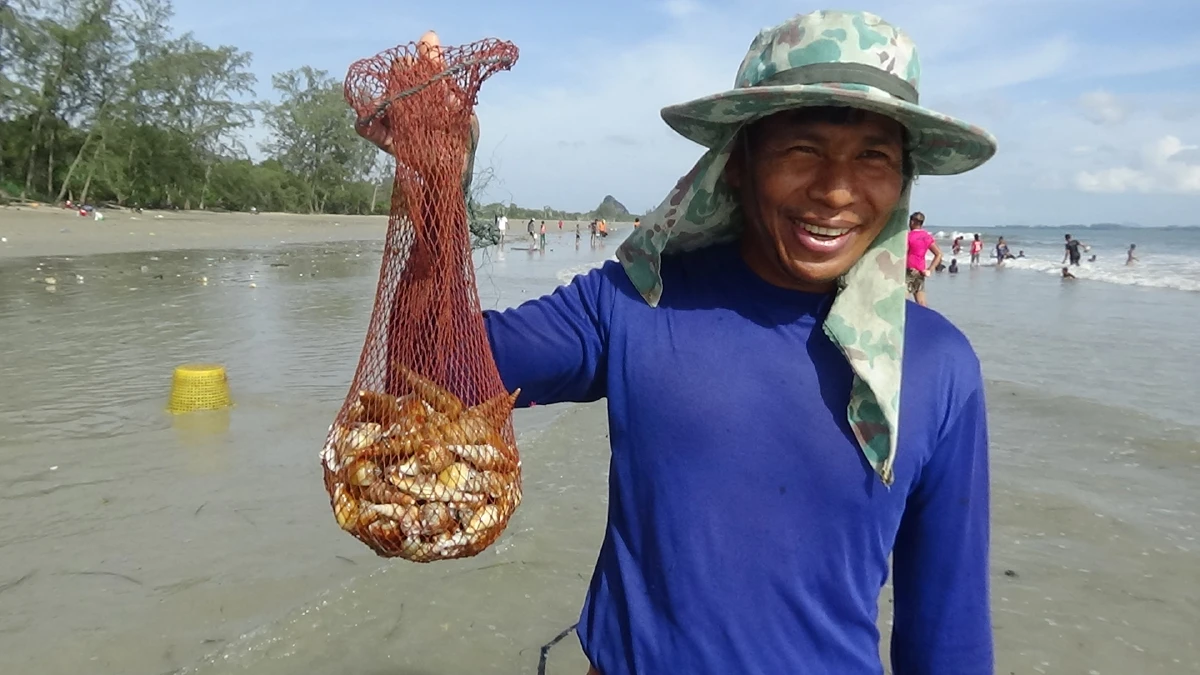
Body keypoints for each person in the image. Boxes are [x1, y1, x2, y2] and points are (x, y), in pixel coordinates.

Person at [360, 13, 996, 675]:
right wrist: (434, 186)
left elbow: (947, 634)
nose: (837, 190)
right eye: (802, 150)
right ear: (738, 165)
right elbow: (428, 371)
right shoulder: (639, 300)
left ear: (902, 179)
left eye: (874, 156)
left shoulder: (938, 365)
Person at [905, 211, 942, 306]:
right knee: (922, 303)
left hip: (909, 271)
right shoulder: (927, 237)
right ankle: (926, 320)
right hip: (921, 272)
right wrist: (930, 270)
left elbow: (903, 253)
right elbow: (938, 254)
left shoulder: (908, 236)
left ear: (912, 222)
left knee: (902, 302)